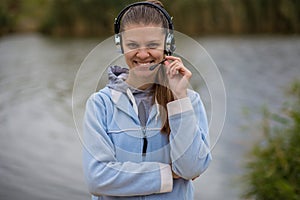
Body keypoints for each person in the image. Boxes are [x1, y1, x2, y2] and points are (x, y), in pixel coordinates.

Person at [82, 1, 212, 199]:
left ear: (167, 44)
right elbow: (98, 179)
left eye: (152, 45)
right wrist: (167, 175)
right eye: (133, 45)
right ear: (121, 46)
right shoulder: (100, 104)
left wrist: (179, 98)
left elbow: (191, 169)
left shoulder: (189, 101)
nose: (142, 54)